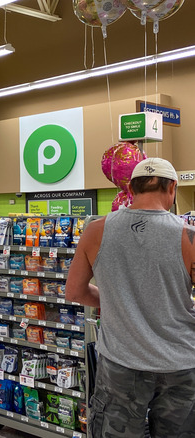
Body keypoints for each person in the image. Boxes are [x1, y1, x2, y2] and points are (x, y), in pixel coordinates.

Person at [66, 157, 195, 437]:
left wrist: (118, 301)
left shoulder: (96, 231)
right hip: (181, 364)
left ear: (131, 189)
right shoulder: (189, 236)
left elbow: (74, 291)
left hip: (122, 364)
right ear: (172, 187)